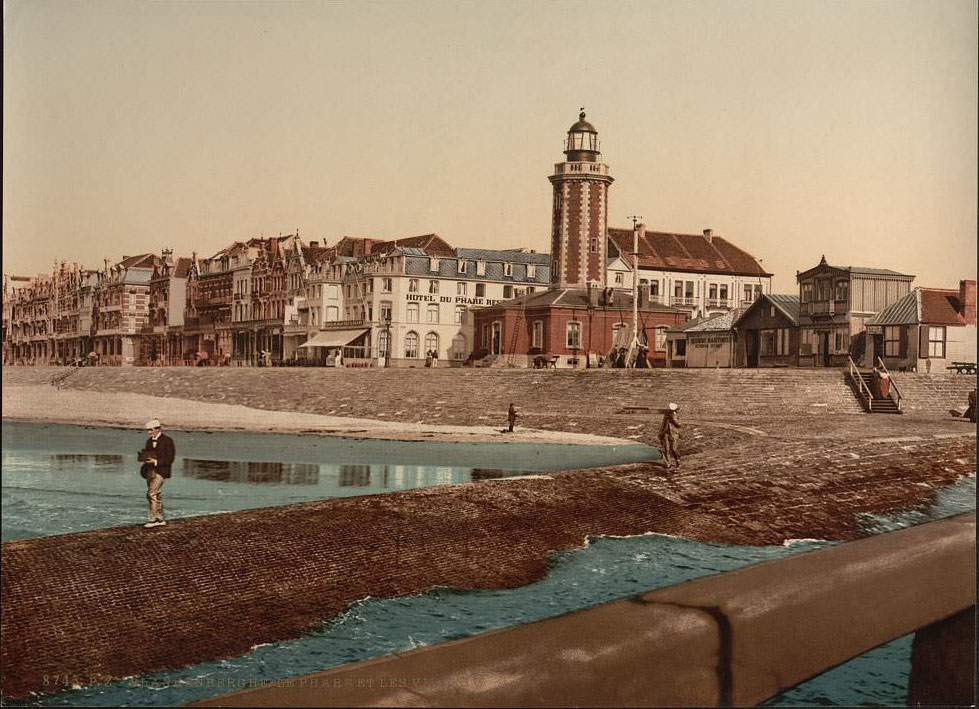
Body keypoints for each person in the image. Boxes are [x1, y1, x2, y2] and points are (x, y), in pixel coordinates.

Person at [139, 419, 175, 528]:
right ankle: (160, 519)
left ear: (158, 429)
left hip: (161, 471)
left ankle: (153, 519)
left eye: (151, 430)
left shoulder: (168, 441)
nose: (149, 432)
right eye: (148, 430)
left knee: (151, 493)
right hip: (150, 471)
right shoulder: (149, 441)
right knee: (155, 494)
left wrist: (155, 462)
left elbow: (170, 459)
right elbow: (148, 454)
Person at [658, 403, 681, 469]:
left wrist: (673, 419)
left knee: (674, 449)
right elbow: (663, 425)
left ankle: (677, 461)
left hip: (673, 434)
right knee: (666, 449)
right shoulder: (666, 416)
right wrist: (661, 433)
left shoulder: (675, 416)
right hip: (665, 433)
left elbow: (679, 425)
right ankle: (668, 463)